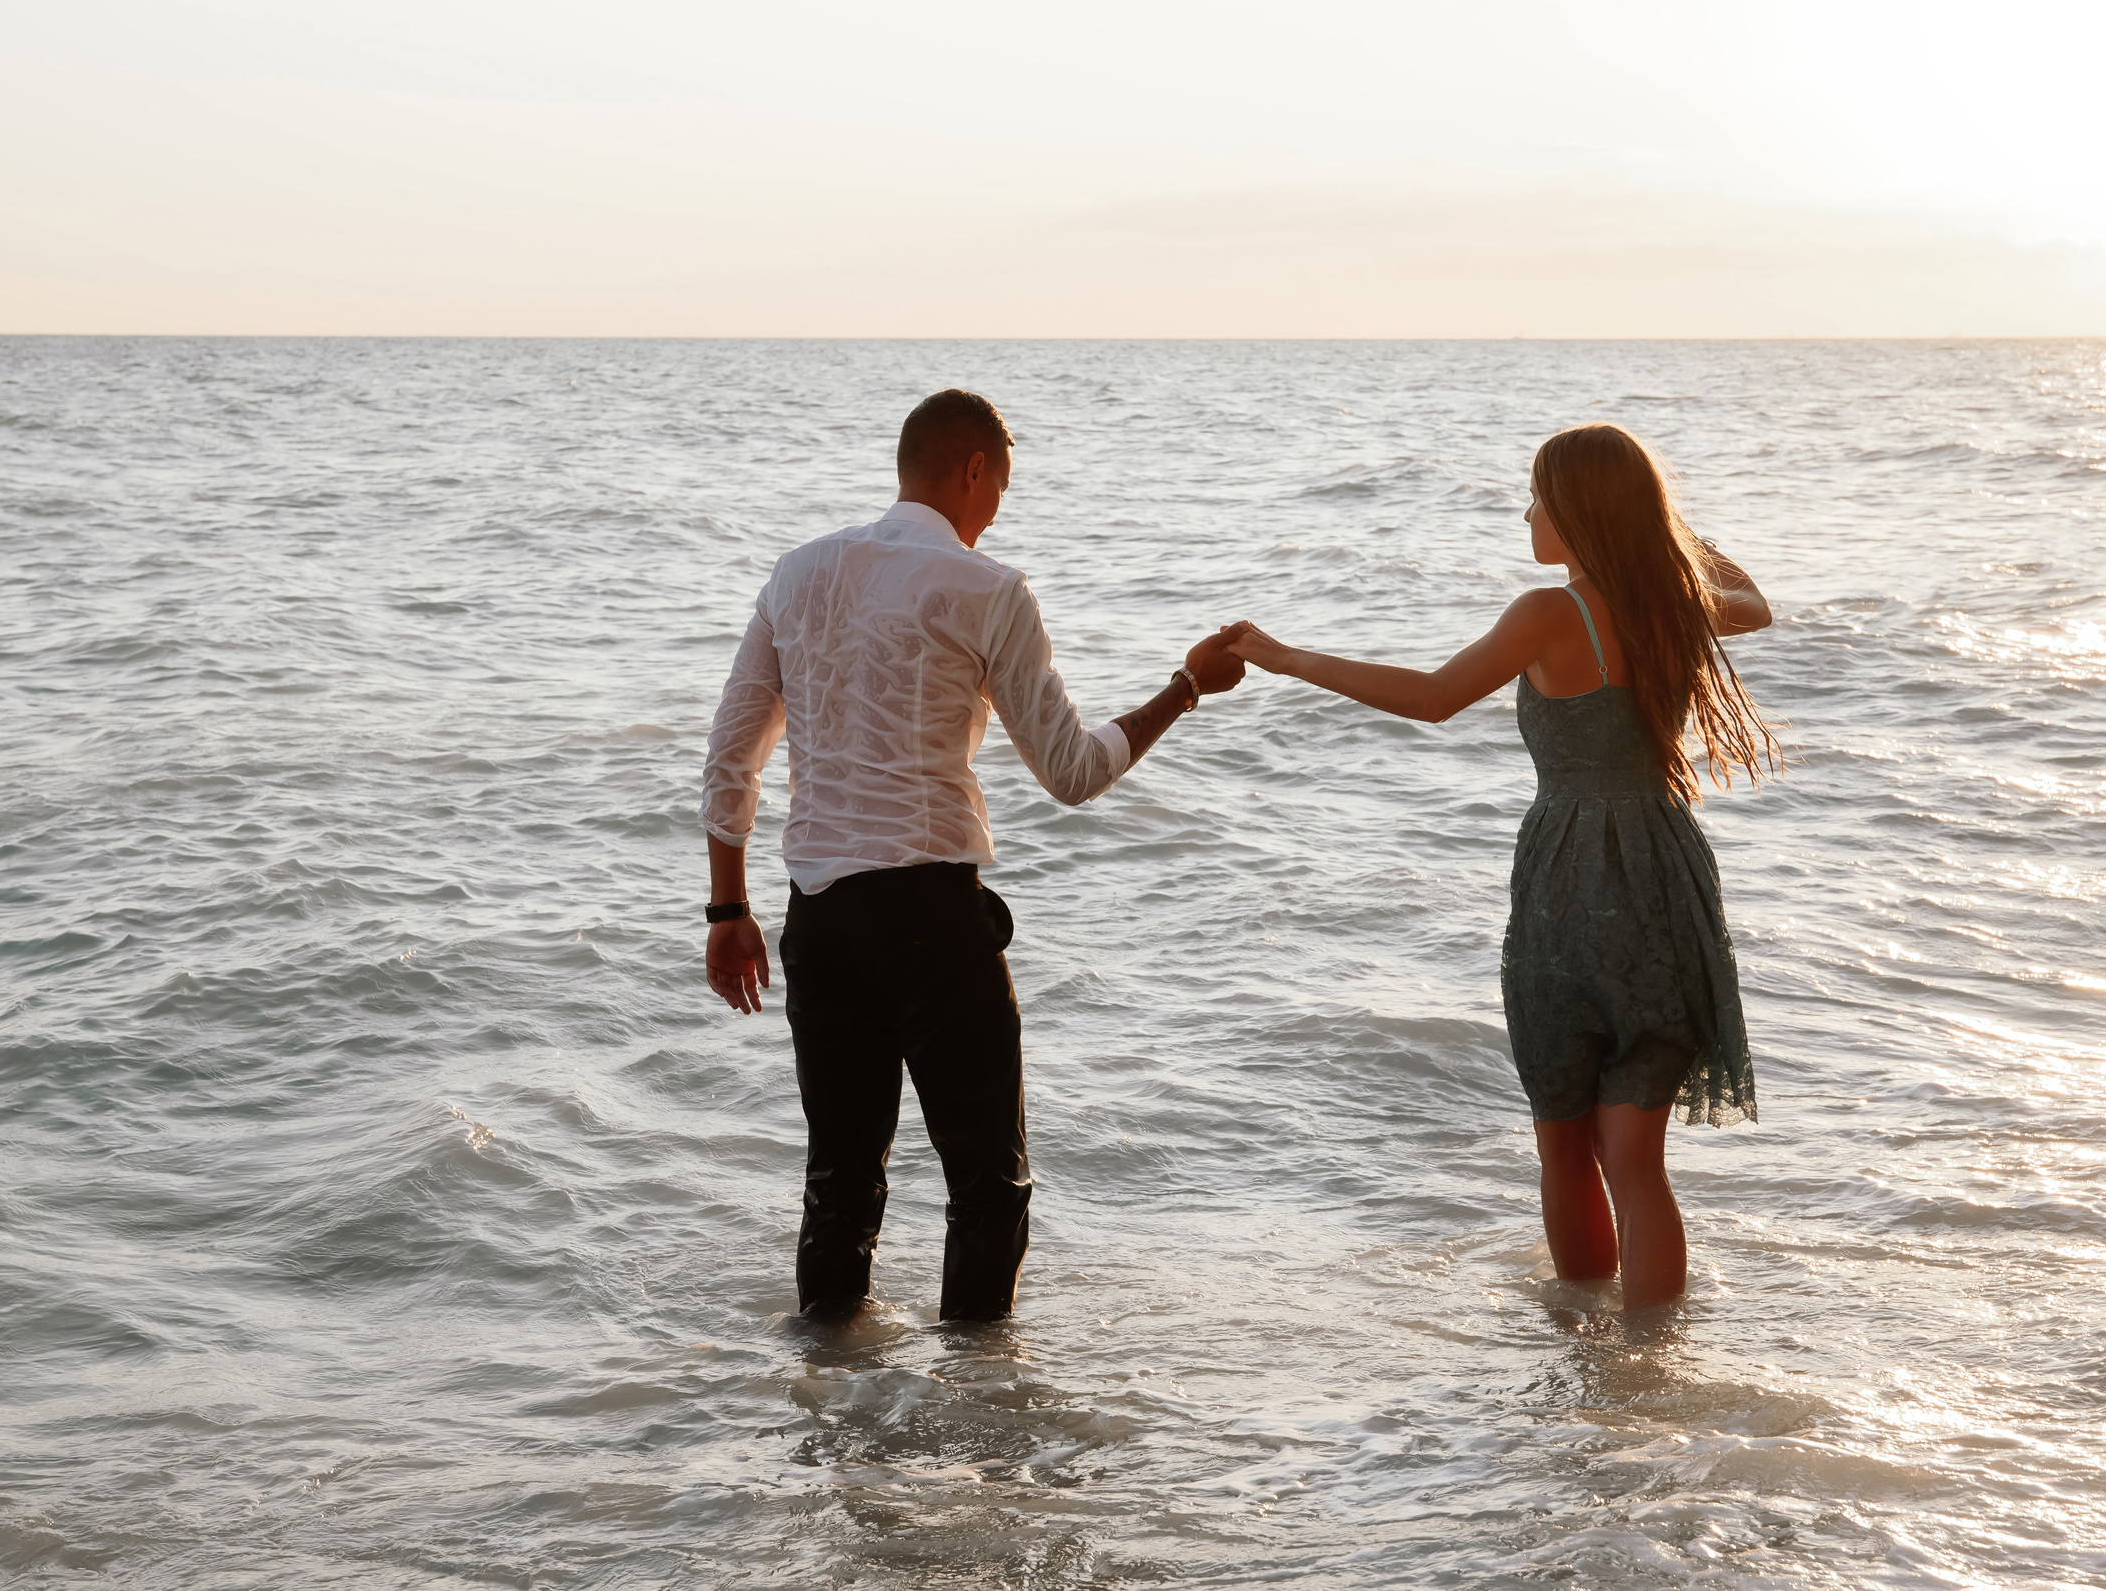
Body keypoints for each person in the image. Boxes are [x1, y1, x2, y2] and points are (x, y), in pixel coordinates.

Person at [699, 388, 1246, 1323]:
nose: (997, 511)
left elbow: (730, 757)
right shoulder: (989, 590)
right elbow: (1073, 771)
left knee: (840, 1179)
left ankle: (834, 1419)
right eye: (1000, 487)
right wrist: (1186, 687)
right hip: (931, 922)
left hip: (819, 920)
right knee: (988, 1181)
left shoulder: (795, 575)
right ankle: (977, 1422)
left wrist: (727, 910)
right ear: (974, 469)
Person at [1226, 423, 1778, 1308]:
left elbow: (1433, 698)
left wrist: (1284, 656)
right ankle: (1650, 1375)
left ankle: (1585, 1364)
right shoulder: (1675, 601)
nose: (1526, 514)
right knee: (1637, 1162)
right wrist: (1668, 531)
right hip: (1668, 878)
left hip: (1568, 887)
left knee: (1564, 1144)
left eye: (1538, 498)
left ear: (1576, 511)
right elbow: (1753, 599)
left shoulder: (1549, 614)